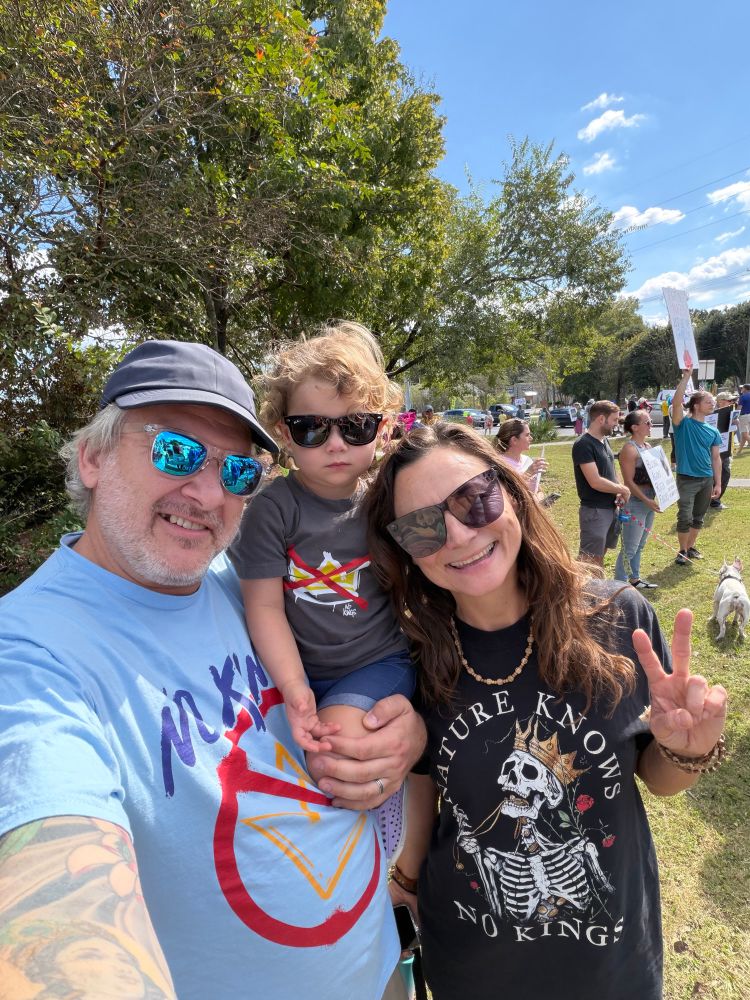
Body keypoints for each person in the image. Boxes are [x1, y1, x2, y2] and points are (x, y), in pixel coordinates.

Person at [0, 339, 426, 1000]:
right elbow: (53, 890)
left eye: (236, 473)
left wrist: (408, 734)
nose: (206, 493)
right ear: (92, 456)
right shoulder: (29, 653)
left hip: (377, 972)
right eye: (175, 451)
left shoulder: (240, 584)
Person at [366, 422, 727, 1000]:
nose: (457, 535)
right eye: (421, 528)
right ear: (403, 551)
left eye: (475, 499)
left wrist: (687, 750)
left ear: (511, 495)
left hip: (609, 961)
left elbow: (654, 782)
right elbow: (425, 780)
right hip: (469, 961)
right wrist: (406, 878)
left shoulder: (618, 617)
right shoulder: (407, 656)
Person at [227, 322, 414, 863]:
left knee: (340, 753)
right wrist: (293, 686)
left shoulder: (389, 498)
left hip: (377, 663)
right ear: (283, 435)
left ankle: (386, 854)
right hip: (302, 672)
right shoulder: (272, 509)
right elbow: (263, 605)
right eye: (312, 429)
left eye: (355, 426)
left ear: (382, 431)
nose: (335, 444)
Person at [670, 365, 722, 566]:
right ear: (696, 405)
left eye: (713, 402)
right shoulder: (683, 424)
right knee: (684, 515)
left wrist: (718, 483)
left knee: (699, 517)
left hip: (706, 479)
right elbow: (676, 404)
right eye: (709, 401)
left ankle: (690, 547)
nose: (713, 404)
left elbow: (716, 458)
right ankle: (681, 551)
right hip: (686, 478)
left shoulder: (713, 431)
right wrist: (686, 377)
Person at [571, 400, 630, 566]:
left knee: (600, 555)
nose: (616, 424)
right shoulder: (583, 444)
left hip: (611, 507)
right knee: (588, 560)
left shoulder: (604, 440)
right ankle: (582, 590)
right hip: (595, 510)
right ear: (601, 419)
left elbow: (610, 471)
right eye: (614, 420)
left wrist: (618, 491)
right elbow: (595, 481)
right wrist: (623, 489)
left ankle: (596, 587)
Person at [614, 411, 661, 589]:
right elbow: (628, 483)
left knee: (640, 545)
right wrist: (646, 501)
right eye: (647, 422)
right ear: (634, 427)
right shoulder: (629, 449)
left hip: (649, 501)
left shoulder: (648, 447)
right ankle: (619, 585)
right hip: (635, 502)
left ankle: (634, 579)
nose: (651, 425)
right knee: (630, 547)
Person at [494, 418, 553, 505]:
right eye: (527, 435)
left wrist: (539, 501)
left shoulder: (527, 460)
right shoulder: (499, 464)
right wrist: (528, 473)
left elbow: (538, 490)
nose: (531, 438)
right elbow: (505, 493)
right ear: (514, 440)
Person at [709, 390, 739, 510]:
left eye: (733, 400)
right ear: (721, 402)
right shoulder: (711, 414)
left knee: (724, 473)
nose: (732, 402)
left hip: (725, 449)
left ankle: (713, 500)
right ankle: (714, 501)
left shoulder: (730, 412)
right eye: (729, 400)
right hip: (714, 450)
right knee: (719, 474)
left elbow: (733, 431)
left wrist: (734, 424)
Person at [735, 383, 750, 456]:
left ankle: (739, 451)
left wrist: (735, 416)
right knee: (744, 435)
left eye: (742, 388)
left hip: (744, 416)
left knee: (744, 434)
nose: (741, 389)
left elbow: (739, 408)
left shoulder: (743, 397)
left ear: (746, 389)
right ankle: (739, 451)